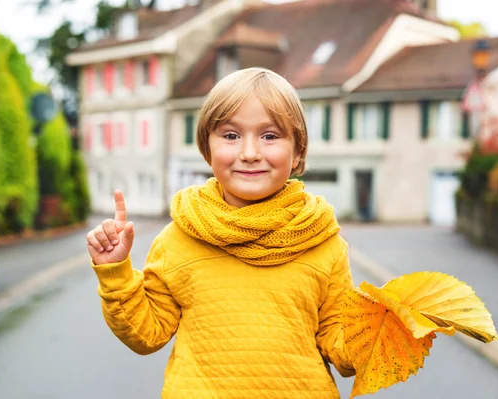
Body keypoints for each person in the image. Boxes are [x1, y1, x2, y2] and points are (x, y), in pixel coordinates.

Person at [86, 67, 355, 398]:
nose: (250, 152)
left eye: (270, 136)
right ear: (206, 148)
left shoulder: (322, 240)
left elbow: (339, 346)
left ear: (298, 151)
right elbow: (147, 334)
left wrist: (376, 331)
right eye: (231, 136)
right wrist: (115, 272)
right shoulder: (180, 237)